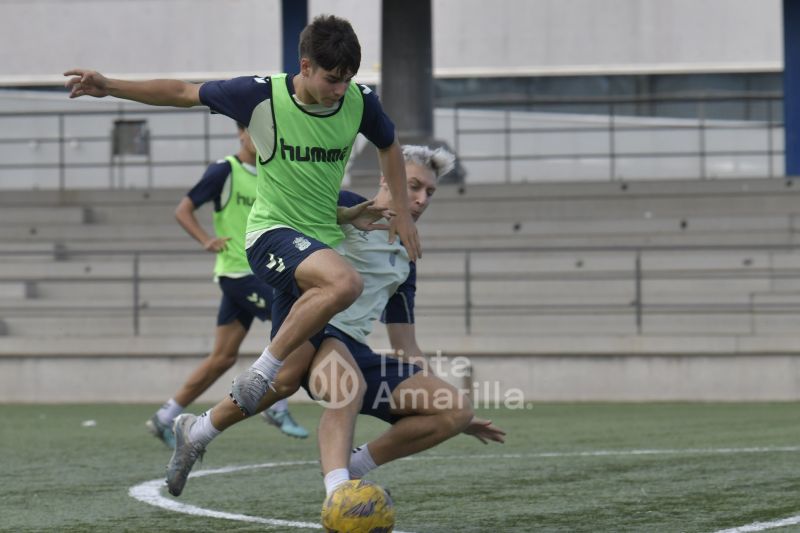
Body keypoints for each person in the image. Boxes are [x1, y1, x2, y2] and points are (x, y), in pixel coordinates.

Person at [65, 14, 421, 488]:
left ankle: (198, 430)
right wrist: (110, 86)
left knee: (286, 381)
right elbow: (182, 93)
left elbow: (390, 146)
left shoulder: (359, 102)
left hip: (317, 245)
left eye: (349, 79)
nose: (341, 89)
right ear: (306, 65)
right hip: (269, 238)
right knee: (345, 283)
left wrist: (394, 204)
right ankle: (269, 378)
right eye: (333, 79)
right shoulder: (261, 96)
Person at [164, 145, 506, 498]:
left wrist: (447, 412)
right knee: (316, 382)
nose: (420, 199)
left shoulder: (406, 254)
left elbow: (406, 345)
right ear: (386, 177)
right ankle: (339, 493)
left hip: (351, 346)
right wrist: (340, 216)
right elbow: (285, 225)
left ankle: (349, 466)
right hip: (310, 313)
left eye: (429, 192)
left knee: (455, 409)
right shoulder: (342, 203)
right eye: (414, 186)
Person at [145, 123, 308, 448]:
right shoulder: (225, 170)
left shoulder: (271, 172)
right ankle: (277, 407)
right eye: (256, 131)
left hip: (260, 271)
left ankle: (164, 417)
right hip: (238, 273)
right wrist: (206, 239)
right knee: (293, 324)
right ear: (242, 133)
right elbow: (184, 209)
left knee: (222, 357)